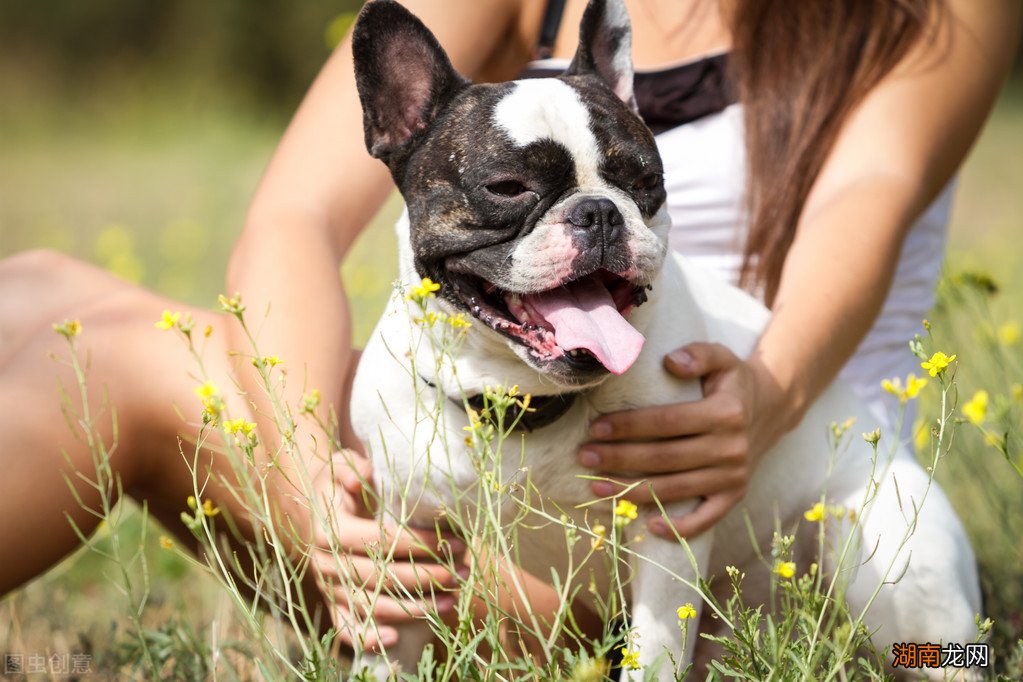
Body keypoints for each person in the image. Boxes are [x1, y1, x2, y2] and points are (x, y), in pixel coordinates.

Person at [0, 0, 1018, 659]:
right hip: (478, 466)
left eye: (625, 187)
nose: (591, 220)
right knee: (37, 287)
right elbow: (295, 218)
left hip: (722, 503)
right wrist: (311, 469)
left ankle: (971, 654)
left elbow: (868, 195)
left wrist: (769, 394)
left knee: (113, 355)